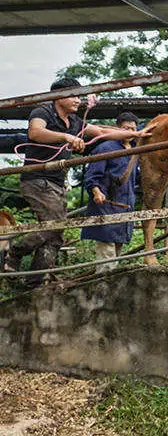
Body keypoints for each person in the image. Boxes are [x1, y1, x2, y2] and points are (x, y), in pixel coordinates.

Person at [3, 78, 146, 284]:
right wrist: (66, 137)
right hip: (37, 180)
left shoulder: (76, 122)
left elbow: (102, 132)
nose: (78, 100)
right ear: (59, 96)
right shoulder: (43, 112)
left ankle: (34, 281)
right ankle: (15, 252)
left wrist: (136, 134)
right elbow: (35, 132)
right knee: (54, 225)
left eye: (80, 96)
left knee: (56, 234)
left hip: (57, 182)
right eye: (74, 95)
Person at [81, 111, 140, 273]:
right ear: (116, 128)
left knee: (116, 256)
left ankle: (108, 289)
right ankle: (103, 289)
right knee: (107, 259)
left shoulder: (136, 151)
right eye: (126, 128)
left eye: (133, 129)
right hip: (105, 206)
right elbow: (92, 175)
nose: (129, 132)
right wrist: (96, 192)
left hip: (125, 207)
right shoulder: (105, 147)